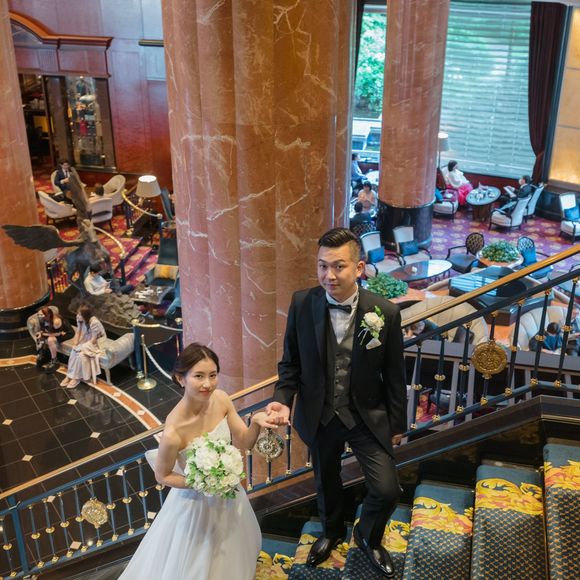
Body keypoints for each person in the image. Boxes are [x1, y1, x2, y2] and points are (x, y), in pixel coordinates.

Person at [267, 227, 407, 578]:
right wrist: (283, 399)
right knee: (325, 481)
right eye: (322, 266)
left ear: (358, 268)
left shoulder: (385, 313)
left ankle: (368, 536)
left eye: (338, 266)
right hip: (320, 413)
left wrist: (397, 425)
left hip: (365, 416)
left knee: (387, 489)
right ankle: (331, 533)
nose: (329, 275)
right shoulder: (302, 303)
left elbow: (394, 376)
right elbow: (290, 363)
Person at [119, 343, 278, 580]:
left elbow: (245, 441)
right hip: (196, 504)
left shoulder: (221, 399)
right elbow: (162, 475)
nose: (208, 384)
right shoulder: (174, 430)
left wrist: (255, 421)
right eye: (199, 376)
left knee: (230, 555)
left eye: (213, 375)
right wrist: (203, 481)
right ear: (180, 378)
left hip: (229, 495)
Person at [60, 304, 106, 389]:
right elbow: (78, 332)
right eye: (78, 314)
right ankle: (69, 376)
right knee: (74, 351)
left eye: (80, 314)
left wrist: (82, 347)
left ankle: (76, 378)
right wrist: (75, 344)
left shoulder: (94, 322)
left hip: (97, 343)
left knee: (80, 354)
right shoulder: (80, 319)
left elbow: (94, 339)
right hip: (87, 339)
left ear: (85, 315)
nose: (77, 316)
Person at [33, 307, 73, 372]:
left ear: (48, 315)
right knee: (41, 337)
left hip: (65, 333)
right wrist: (41, 333)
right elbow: (44, 329)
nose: (39, 316)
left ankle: (55, 360)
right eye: (38, 314)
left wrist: (43, 334)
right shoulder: (42, 319)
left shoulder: (56, 321)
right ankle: (44, 354)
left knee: (50, 340)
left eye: (41, 315)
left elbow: (57, 334)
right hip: (53, 332)